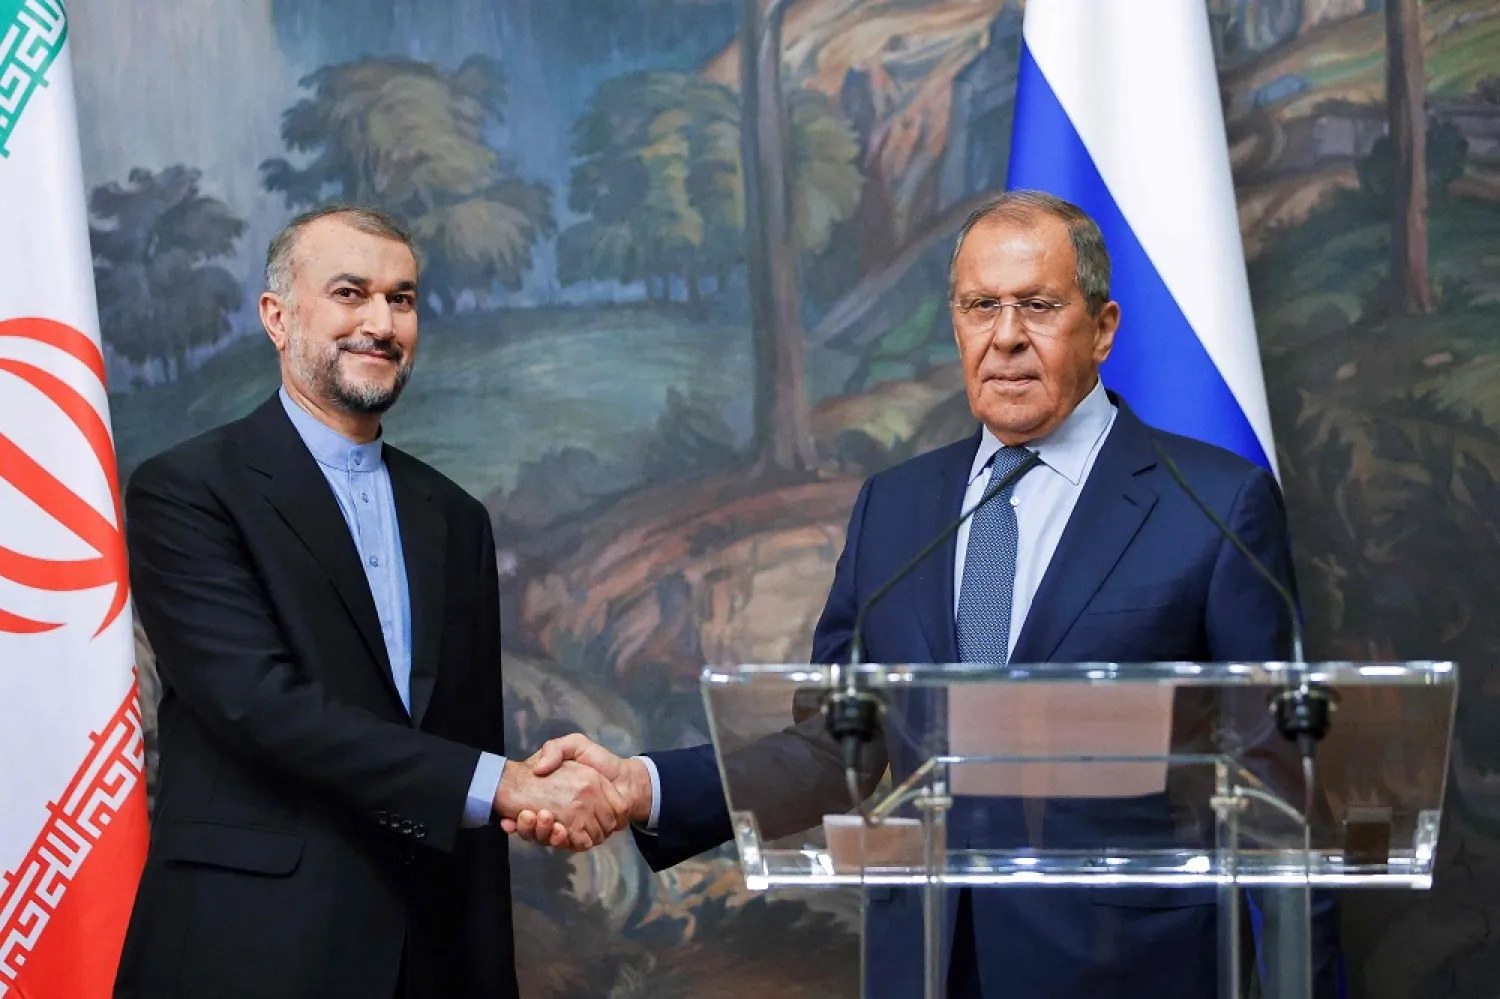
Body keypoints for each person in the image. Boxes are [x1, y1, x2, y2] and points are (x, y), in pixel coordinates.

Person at [509, 191, 1342, 997]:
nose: (1006, 337)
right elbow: (836, 747)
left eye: (1038, 306)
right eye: (981, 306)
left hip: (1127, 968)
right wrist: (641, 786)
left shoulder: (1212, 502)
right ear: (956, 323)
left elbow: (1282, 790)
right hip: (926, 964)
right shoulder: (897, 506)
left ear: (1103, 329)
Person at [114, 205, 625, 999]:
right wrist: (512, 783)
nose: (380, 323)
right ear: (277, 318)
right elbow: (258, 704)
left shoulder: (455, 516)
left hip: (429, 955)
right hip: (248, 950)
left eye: (403, 298)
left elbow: (464, 737)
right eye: (350, 293)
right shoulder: (187, 491)